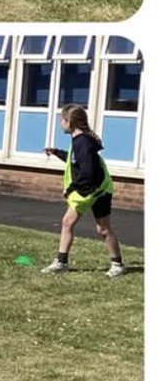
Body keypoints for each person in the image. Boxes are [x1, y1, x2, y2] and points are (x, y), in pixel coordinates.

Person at [42, 104, 125, 277]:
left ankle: (116, 265)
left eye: (62, 120)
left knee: (96, 227)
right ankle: (62, 262)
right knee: (78, 224)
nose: (60, 123)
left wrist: (71, 189)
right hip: (91, 189)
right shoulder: (79, 139)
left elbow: (87, 172)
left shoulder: (84, 142)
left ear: (70, 122)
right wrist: (57, 152)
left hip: (97, 190)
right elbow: (75, 160)